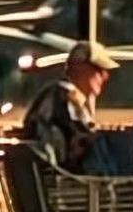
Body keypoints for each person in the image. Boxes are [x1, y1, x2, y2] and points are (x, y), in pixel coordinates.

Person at [21, 41, 119, 172]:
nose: (106, 76)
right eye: (100, 70)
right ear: (80, 67)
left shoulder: (54, 93)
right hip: (61, 180)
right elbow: (79, 139)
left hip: (47, 174)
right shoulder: (66, 96)